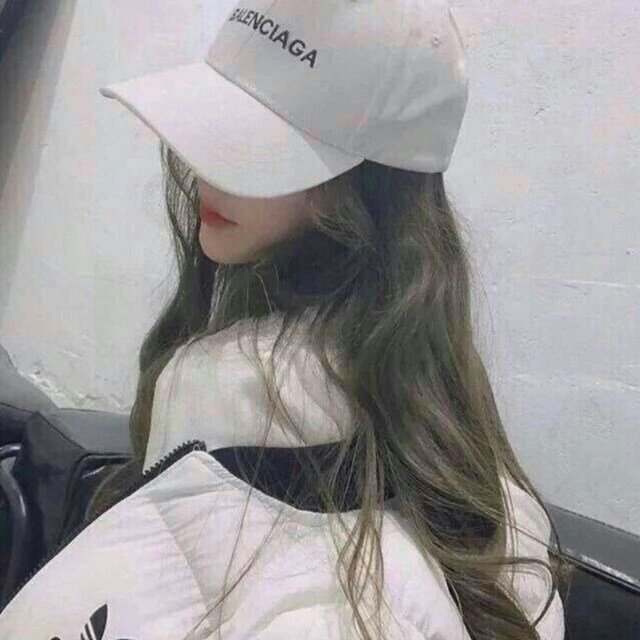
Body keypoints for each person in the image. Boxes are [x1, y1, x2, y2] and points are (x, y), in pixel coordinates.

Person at [0, 0, 570, 638]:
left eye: (253, 147)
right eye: (212, 125)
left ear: (370, 193)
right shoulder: (236, 424)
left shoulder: (349, 597)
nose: (204, 169)